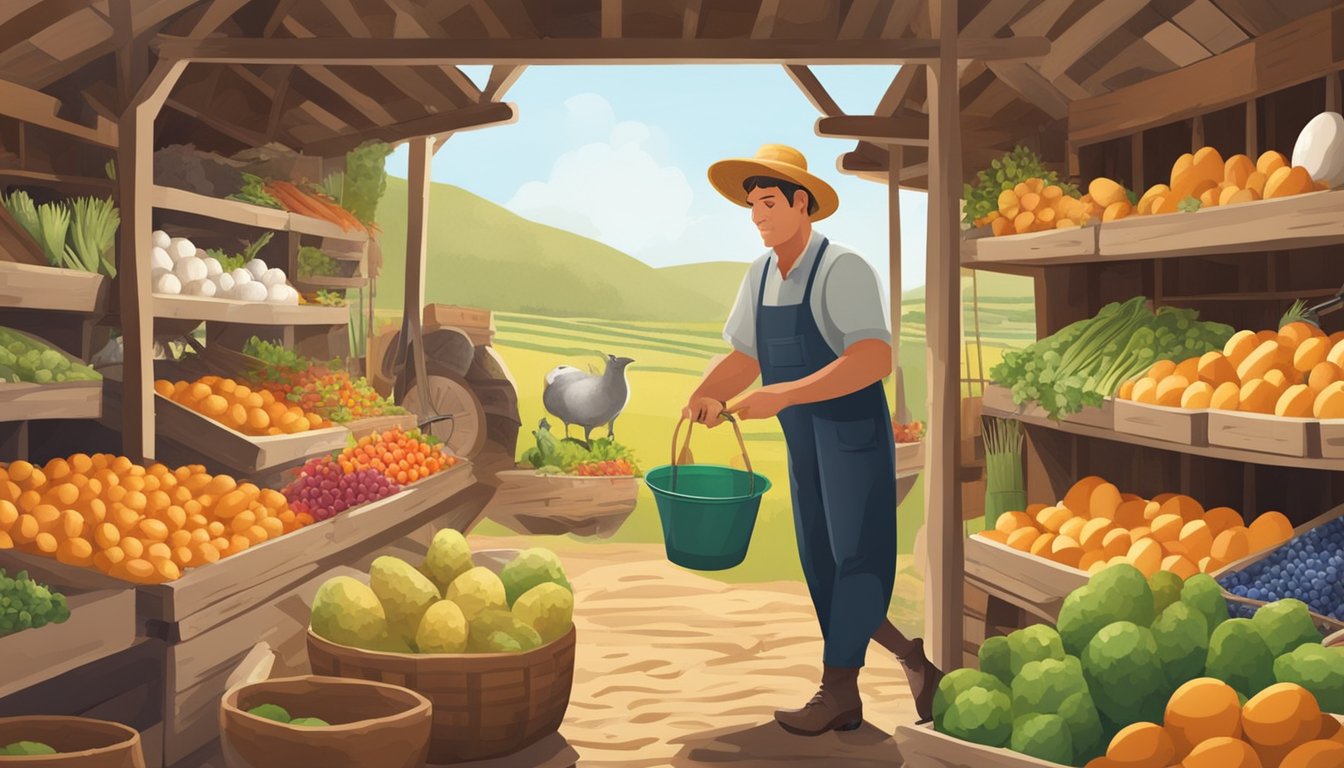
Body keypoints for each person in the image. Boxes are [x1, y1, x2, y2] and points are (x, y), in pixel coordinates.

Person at [684, 144, 942, 735]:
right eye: (752, 204)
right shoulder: (760, 275)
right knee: (821, 566)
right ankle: (910, 661)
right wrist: (708, 392)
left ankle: (837, 692)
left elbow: (873, 358)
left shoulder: (842, 269)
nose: (757, 215)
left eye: (768, 202)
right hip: (805, 443)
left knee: (857, 560)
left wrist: (786, 394)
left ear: (803, 204)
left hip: (851, 438)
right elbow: (747, 355)